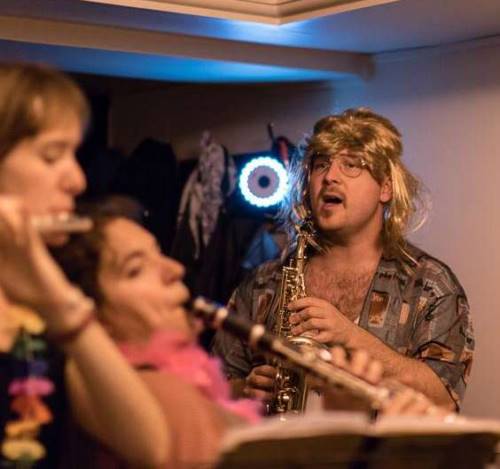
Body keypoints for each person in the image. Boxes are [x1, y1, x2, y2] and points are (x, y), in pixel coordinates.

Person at [53, 197, 446, 467]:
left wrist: (345, 422)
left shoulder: (172, 385)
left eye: (159, 255)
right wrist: (380, 450)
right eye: (136, 268)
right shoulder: (118, 386)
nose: (173, 270)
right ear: (86, 308)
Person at [213, 108, 474, 412]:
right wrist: (245, 390)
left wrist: (351, 337)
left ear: (385, 188)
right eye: (321, 164)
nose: (329, 177)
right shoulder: (263, 282)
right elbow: (210, 389)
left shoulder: (429, 284)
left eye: (351, 165)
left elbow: (443, 397)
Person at [0, 63, 169, 468]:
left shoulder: (49, 309)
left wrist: (58, 302)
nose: (76, 180)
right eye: (51, 156)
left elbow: (150, 447)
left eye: (74, 155)